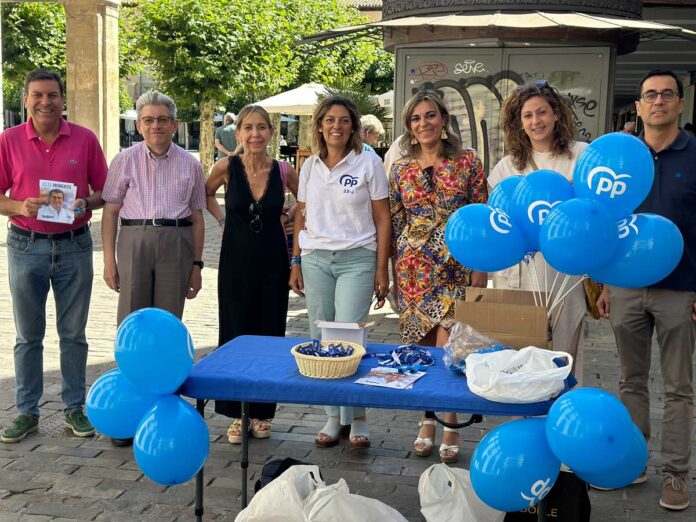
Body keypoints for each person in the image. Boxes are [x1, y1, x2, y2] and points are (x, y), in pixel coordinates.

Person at [596, 69, 696, 511]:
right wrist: (601, 282)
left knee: (679, 387)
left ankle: (675, 474)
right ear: (637, 106)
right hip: (625, 287)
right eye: (650, 95)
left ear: (679, 103)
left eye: (667, 94)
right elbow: (599, 220)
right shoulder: (619, 157)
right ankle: (634, 461)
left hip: (681, 288)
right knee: (630, 380)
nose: (658, 101)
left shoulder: (695, 154)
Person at [0, 69, 107, 443]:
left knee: (73, 335)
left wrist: (83, 204)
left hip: (75, 244)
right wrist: (18, 204)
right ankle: (27, 412)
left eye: (52, 95)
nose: (45, 102)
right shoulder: (8, 141)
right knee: (28, 336)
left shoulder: (85, 140)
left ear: (63, 100)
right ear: (26, 99)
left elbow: (103, 192)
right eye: (37, 95)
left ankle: (74, 408)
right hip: (25, 244)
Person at [389, 90, 488, 464]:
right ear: (409, 127)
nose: (424, 123)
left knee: (452, 349)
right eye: (416, 119)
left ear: (443, 120)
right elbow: (397, 220)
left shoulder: (468, 162)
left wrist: (481, 269)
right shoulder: (400, 168)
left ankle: (449, 425)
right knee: (422, 350)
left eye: (430, 116)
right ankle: (425, 420)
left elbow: (483, 217)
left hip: (457, 266)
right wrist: (393, 272)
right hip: (414, 270)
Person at [289, 96, 391, 450]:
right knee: (321, 336)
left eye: (344, 120)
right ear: (319, 125)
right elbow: (301, 213)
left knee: (349, 338)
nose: (336, 126)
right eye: (329, 120)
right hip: (316, 258)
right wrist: (296, 260)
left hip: (357, 258)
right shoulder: (310, 166)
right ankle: (333, 415)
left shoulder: (368, 162)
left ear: (354, 126)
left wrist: (382, 268)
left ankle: (358, 416)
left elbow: (382, 217)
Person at [206, 105, 298, 444]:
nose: (255, 134)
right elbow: (205, 194)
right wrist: (221, 219)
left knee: (269, 333)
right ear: (238, 133)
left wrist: (289, 213)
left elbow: (307, 201)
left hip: (274, 260)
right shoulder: (226, 167)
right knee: (235, 332)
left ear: (271, 133)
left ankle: (262, 412)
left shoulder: (283, 170)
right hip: (236, 261)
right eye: (248, 128)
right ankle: (235, 413)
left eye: (261, 128)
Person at [488, 81, 588, 380]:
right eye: (528, 116)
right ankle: (524, 423)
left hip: (565, 275)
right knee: (521, 361)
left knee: (565, 359)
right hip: (519, 277)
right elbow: (498, 223)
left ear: (556, 114)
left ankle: (564, 420)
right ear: (519, 123)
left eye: (542, 112)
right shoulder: (508, 166)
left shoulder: (579, 156)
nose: (536, 121)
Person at [102, 90, 206, 326]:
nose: (155, 125)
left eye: (163, 119)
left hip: (177, 242)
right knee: (132, 317)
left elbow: (198, 218)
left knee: (168, 318)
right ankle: (132, 363)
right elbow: (110, 212)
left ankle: (165, 364)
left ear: (174, 125)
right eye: (148, 120)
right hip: (133, 241)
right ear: (139, 126)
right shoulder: (124, 160)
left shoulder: (191, 165)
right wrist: (109, 260)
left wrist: (197, 266)